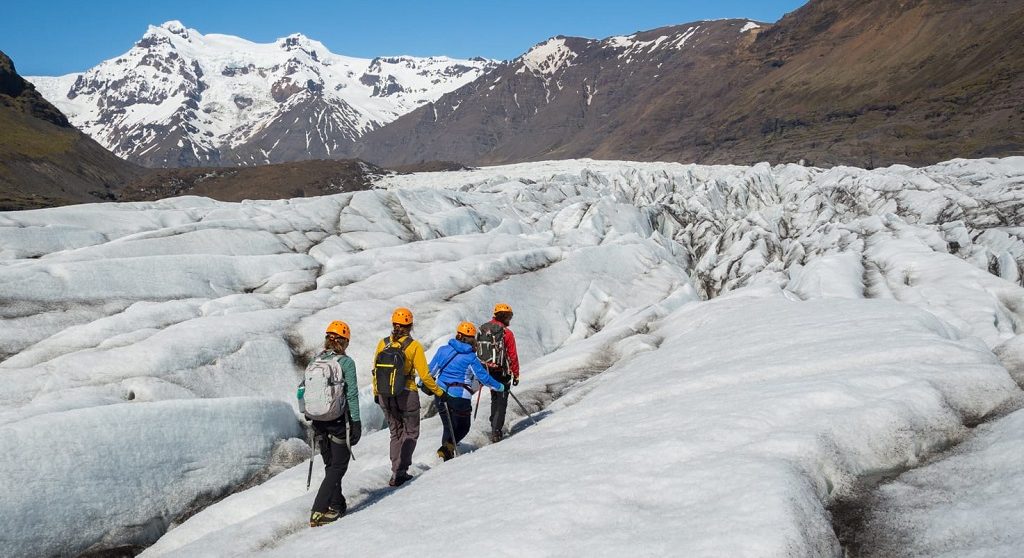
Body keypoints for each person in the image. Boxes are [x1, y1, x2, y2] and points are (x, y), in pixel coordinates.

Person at [372, 307, 445, 487]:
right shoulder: (414, 346)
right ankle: (401, 471)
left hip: (384, 395)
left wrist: (375, 393)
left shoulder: (383, 343)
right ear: (410, 326)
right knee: (411, 432)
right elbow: (425, 375)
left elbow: (375, 370)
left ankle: (394, 470)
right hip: (407, 393)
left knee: (395, 433)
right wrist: (439, 392)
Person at [307, 321, 361, 527]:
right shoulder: (346, 363)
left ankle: (337, 504)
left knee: (331, 465)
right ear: (345, 342)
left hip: (318, 421)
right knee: (338, 466)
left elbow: (304, 388)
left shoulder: (315, 360)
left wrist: (309, 413)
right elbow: (353, 394)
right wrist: (356, 422)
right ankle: (318, 510)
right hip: (338, 421)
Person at [428, 321, 506, 461]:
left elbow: (430, 371)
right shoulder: (471, 357)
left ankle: (446, 456)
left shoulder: (443, 350)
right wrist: (499, 386)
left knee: (448, 425)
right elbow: (484, 378)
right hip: (459, 397)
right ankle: (447, 450)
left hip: (440, 393)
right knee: (463, 427)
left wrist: (423, 384)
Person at [479, 303, 520, 442]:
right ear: (505, 317)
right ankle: (496, 431)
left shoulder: (484, 328)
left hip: (487, 370)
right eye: (509, 317)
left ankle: (494, 424)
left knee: (494, 398)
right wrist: (516, 374)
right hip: (502, 371)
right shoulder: (507, 333)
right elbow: (512, 355)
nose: (510, 319)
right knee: (501, 401)